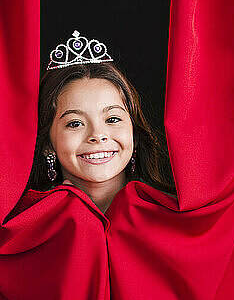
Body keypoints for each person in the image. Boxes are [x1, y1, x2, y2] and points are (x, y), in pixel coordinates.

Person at [26, 32, 175, 213]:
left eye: (112, 119)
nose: (97, 135)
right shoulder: (26, 230)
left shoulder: (172, 218)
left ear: (134, 133)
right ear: (48, 144)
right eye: (75, 123)